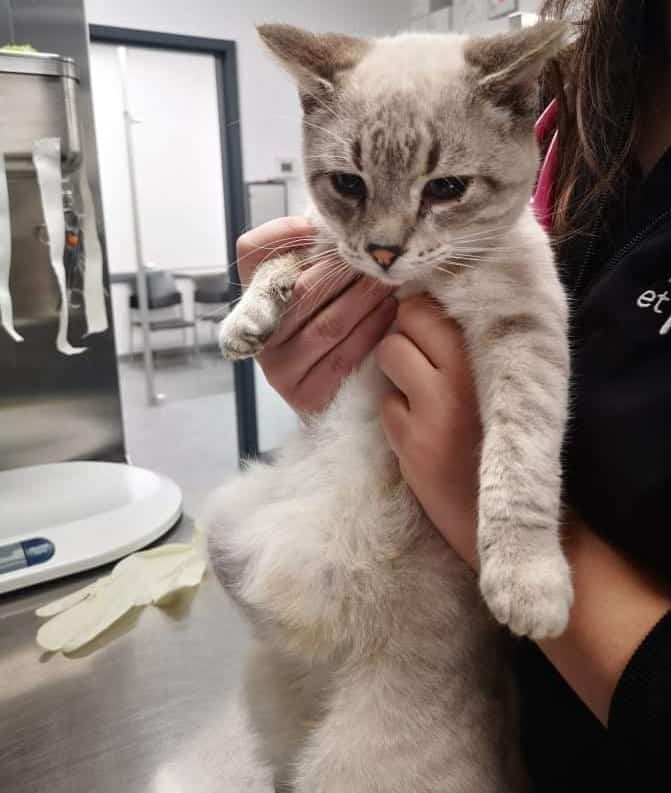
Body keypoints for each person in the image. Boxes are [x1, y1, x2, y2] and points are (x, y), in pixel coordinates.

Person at [236, 2, 671, 789]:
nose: (387, 240)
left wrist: (478, 497)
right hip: (472, 670)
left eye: (440, 188)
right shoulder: (589, 98)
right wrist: (325, 356)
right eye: (347, 186)